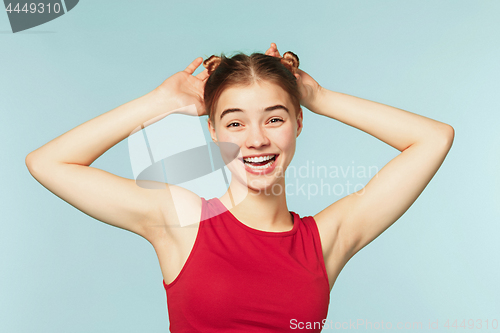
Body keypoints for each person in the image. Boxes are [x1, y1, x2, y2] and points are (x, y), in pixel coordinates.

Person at [25, 42, 454, 332]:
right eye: (234, 122)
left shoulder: (325, 240)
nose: (256, 139)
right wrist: (160, 102)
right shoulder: (182, 221)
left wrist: (320, 96)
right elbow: (47, 163)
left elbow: (434, 138)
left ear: (298, 122)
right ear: (212, 131)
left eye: (275, 118)